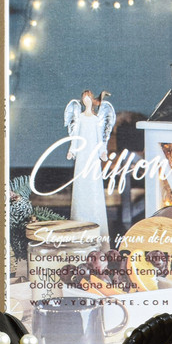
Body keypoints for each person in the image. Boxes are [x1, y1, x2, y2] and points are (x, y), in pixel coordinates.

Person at [64, 90, 115, 243]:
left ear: (92, 101)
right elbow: (75, 137)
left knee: (93, 185)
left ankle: (98, 231)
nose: (86, 101)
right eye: (84, 99)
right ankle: (78, 231)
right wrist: (72, 150)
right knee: (81, 185)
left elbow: (100, 138)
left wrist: (102, 151)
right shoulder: (79, 118)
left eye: (88, 99)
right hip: (82, 156)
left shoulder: (96, 119)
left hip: (93, 156)